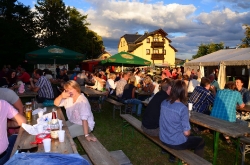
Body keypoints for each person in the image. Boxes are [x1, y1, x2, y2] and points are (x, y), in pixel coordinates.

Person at [159, 80, 205, 162]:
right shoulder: (182, 108)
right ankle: (197, 162)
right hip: (175, 142)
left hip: (163, 138)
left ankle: (172, 156)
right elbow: (186, 133)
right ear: (183, 92)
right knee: (200, 141)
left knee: (190, 136)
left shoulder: (163, 102)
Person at [0, 99, 26, 164]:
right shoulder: (2, 103)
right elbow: (22, 121)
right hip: (2, 156)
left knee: (13, 138)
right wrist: (7, 125)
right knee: (17, 139)